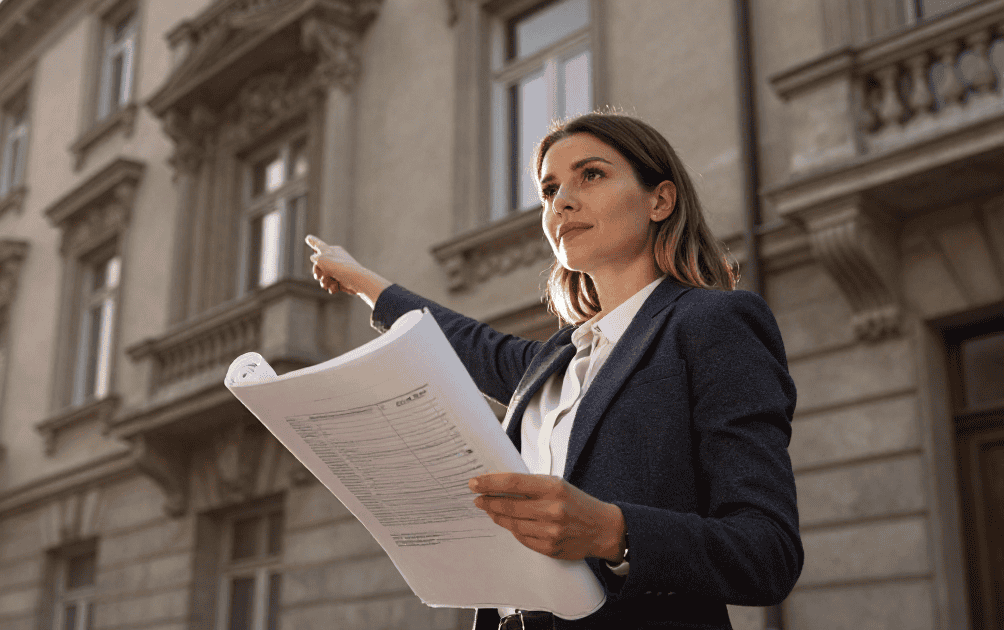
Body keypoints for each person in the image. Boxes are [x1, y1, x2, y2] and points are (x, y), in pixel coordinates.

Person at [306, 112, 801, 630]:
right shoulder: (554, 360)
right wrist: (363, 282)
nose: (561, 200)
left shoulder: (713, 322)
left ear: (661, 200)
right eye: (548, 189)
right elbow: (460, 341)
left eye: (591, 175)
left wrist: (614, 531)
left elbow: (767, 552)